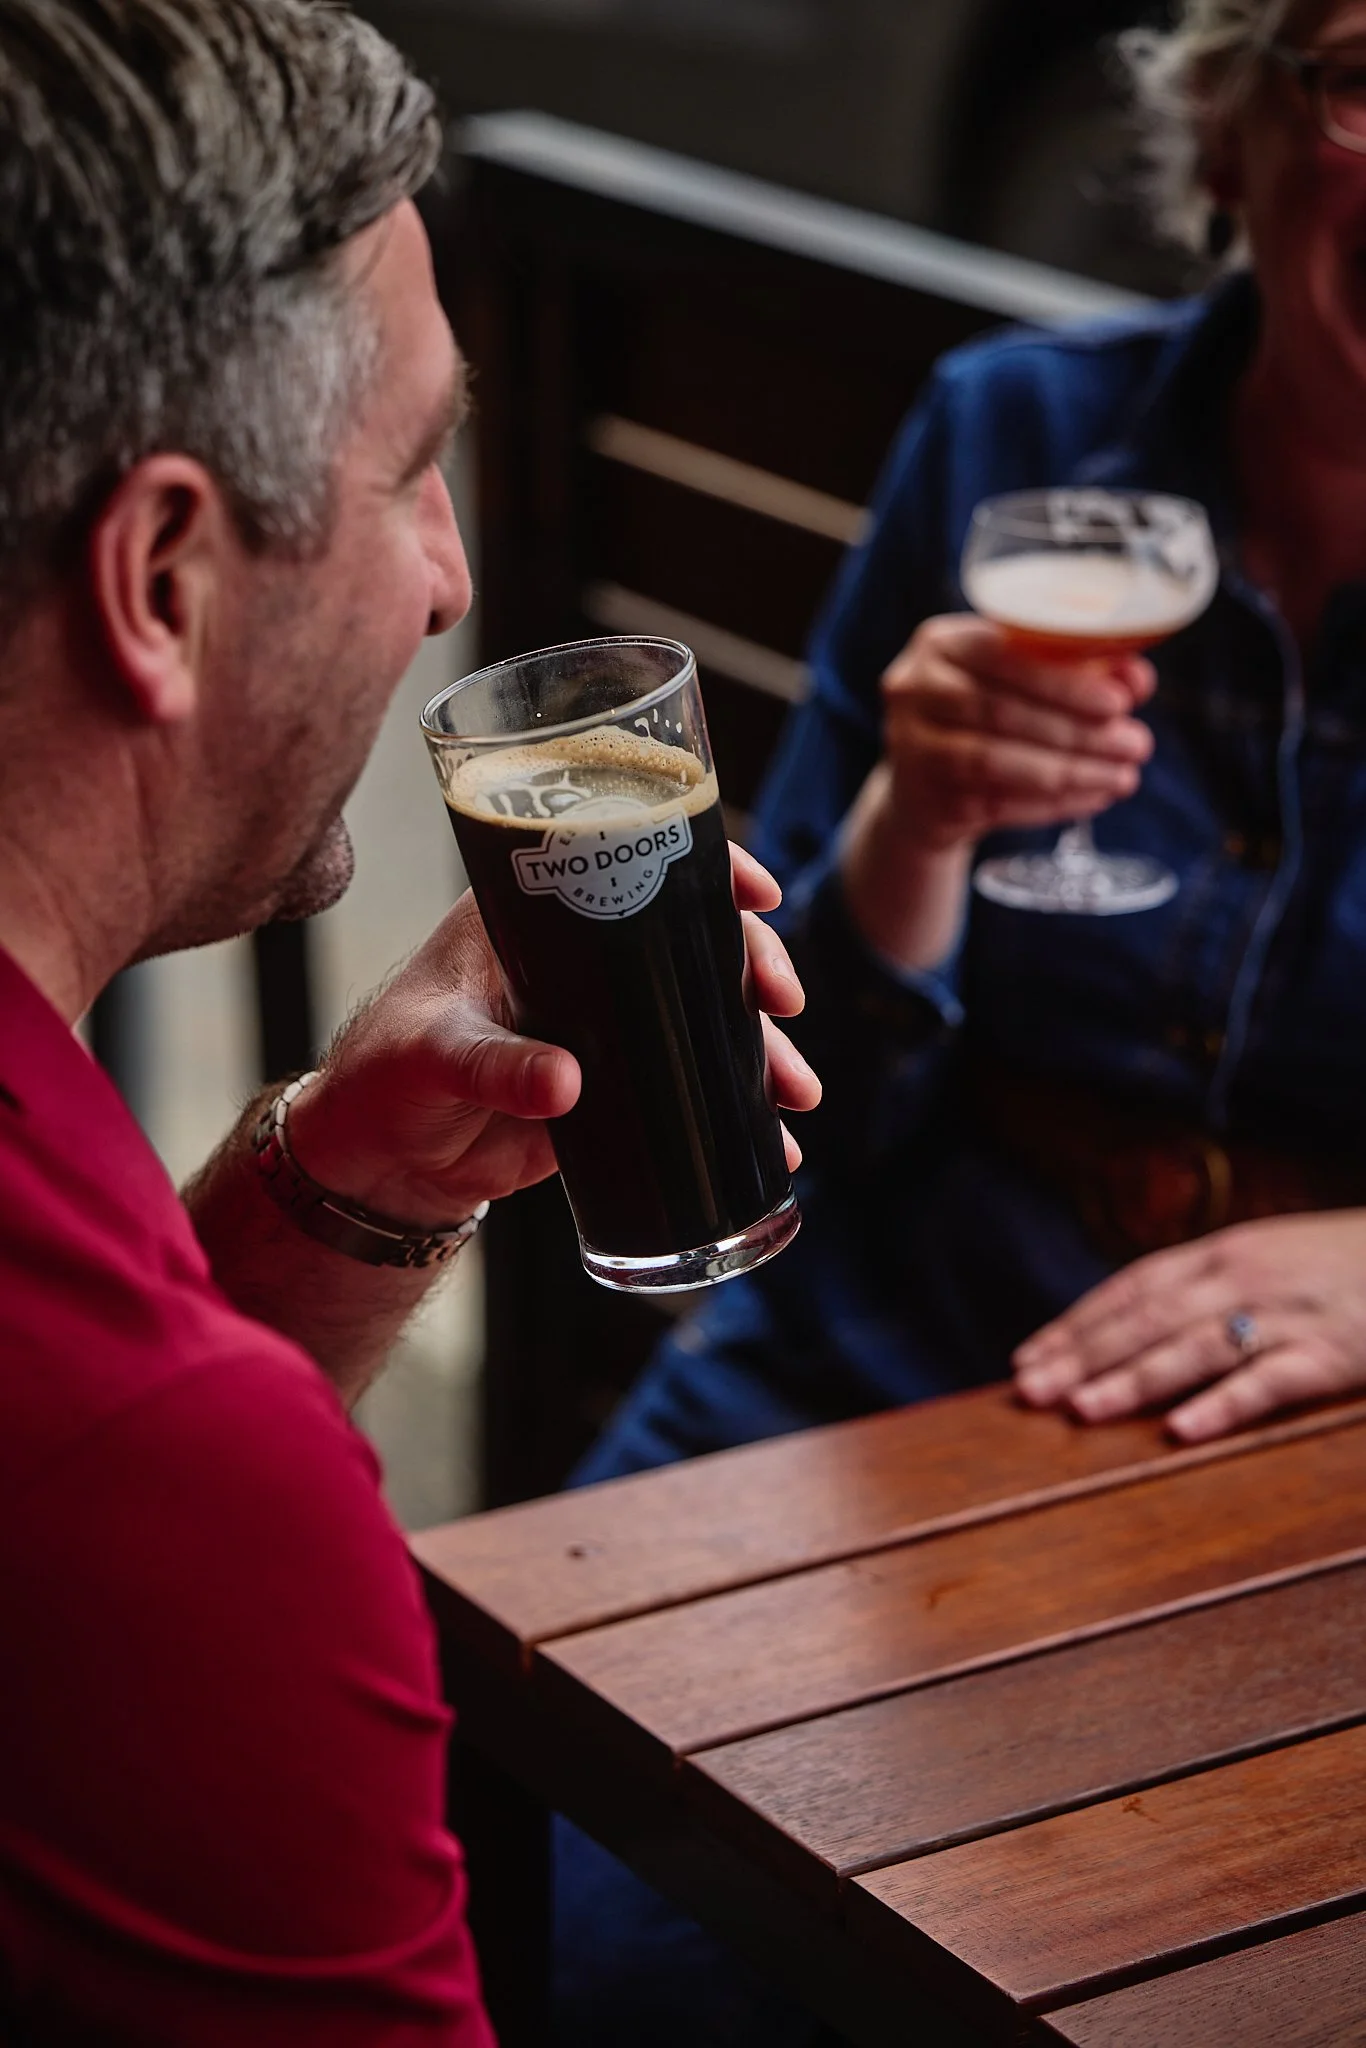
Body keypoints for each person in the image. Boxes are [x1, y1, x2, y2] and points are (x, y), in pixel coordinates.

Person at [0, 2, 819, 2040]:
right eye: (413, 469)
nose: (450, 581)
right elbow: (122, 1507)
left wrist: (324, 1195)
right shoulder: (180, 1482)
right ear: (162, 574)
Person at [553, 1, 1366, 2042]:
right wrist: (918, 824)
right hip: (912, 1343)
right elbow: (774, 1095)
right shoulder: (1010, 434)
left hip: (1307, 1459)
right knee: (582, 1888)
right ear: (1238, 124)